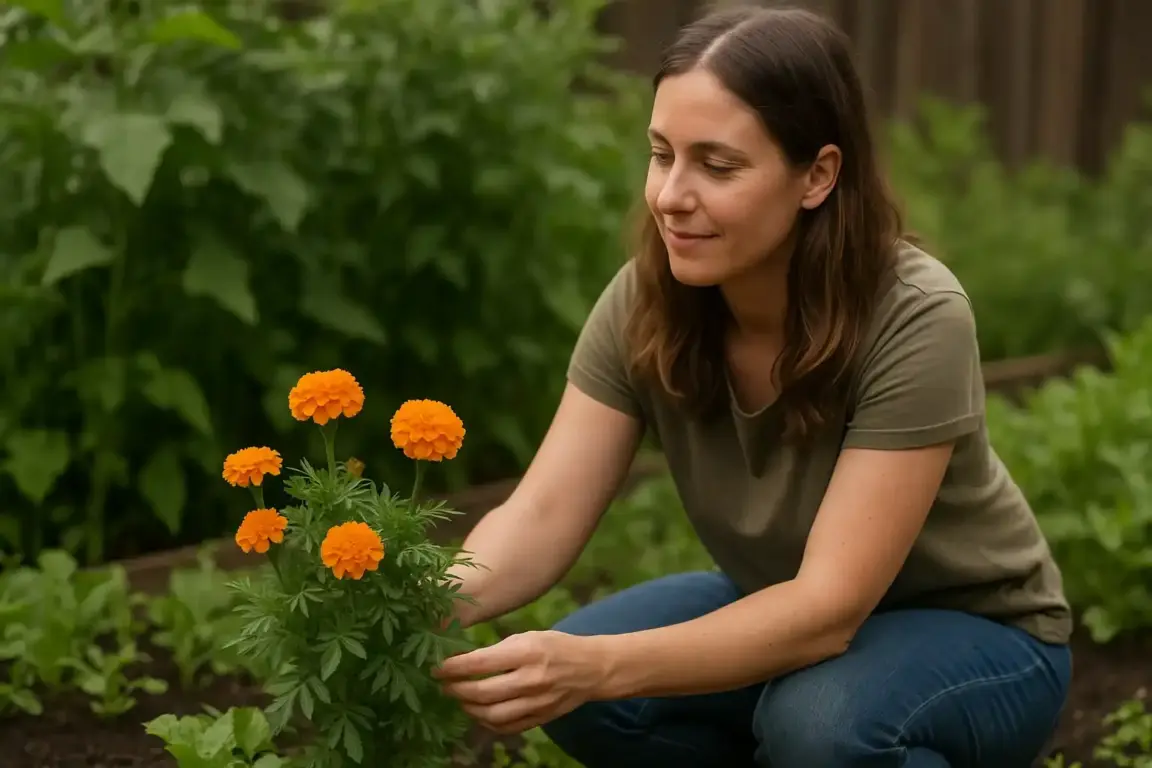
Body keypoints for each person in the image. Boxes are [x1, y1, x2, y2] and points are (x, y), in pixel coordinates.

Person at [433, 6, 1073, 767]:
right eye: (661, 154)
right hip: (785, 605)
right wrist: (424, 604)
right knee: (586, 693)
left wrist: (599, 667)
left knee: (818, 727)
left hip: (979, 635)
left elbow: (828, 610)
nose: (672, 194)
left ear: (818, 175)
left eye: (717, 165)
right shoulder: (647, 299)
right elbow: (540, 510)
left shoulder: (915, 314)